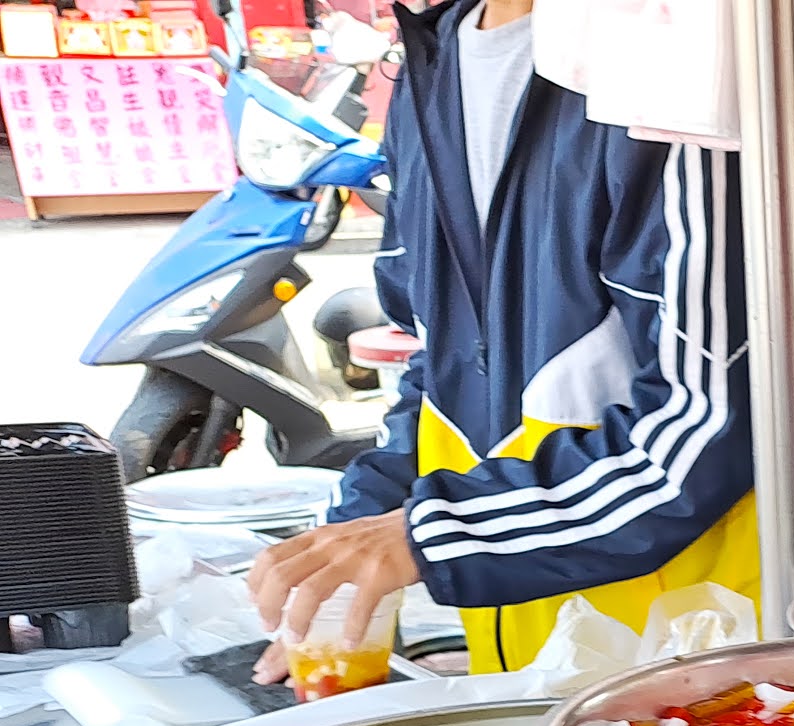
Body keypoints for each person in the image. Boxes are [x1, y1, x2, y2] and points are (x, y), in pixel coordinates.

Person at [250, 0, 755, 678]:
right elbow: (433, 363)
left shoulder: (662, 57)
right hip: (518, 660)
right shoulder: (431, 61)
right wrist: (346, 551)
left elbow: (708, 429)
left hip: (684, 664)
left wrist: (432, 537)